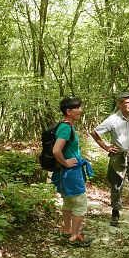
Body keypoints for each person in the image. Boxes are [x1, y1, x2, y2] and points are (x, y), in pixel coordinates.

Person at [91, 92, 129, 227]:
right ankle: (115, 212)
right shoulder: (112, 120)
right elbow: (95, 133)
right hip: (118, 156)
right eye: (127, 102)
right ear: (119, 104)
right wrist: (106, 147)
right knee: (116, 185)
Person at [52, 96, 94, 247]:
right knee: (80, 202)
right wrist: (66, 162)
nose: (81, 110)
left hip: (66, 173)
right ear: (69, 111)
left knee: (69, 202)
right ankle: (74, 237)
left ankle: (67, 232)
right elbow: (56, 150)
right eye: (78, 107)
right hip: (71, 173)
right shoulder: (66, 127)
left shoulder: (67, 125)